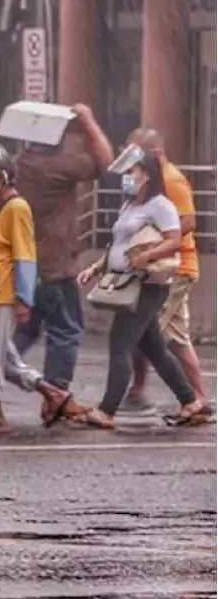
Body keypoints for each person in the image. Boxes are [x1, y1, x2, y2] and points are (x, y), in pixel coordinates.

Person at [76, 149, 208, 429]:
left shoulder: (161, 205)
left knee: (120, 343)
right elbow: (119, 244)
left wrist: (146, 258)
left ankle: (107, 410)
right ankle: (191, 402)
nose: (126, 178)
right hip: (128, 280)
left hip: (146, 285)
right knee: (155, 349)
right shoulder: (129, 205)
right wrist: (95, 268)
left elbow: (174, 239)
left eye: (131, 172)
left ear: (146, 174)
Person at [0, 145, 78, 434]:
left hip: (2, 294)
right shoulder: (2, 210)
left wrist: (22, 298)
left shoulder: (17, 208)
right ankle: (55, 394)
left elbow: (25, 256)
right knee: (4, 359)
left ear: (1, 177)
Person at [13, 104, 115, 413]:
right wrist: (88, 120)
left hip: (30, 264)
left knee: (28, 328)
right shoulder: (53, 166)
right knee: (66, 330)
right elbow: (106, 163)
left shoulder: (23, 162)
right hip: (55, 264)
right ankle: (56, 394)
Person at [120, 128, 212, 423]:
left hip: (175, 268)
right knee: (175, 338)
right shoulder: (151, 182)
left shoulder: (172, 180)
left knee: (147, 334)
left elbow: (188, 222)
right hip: (165, 268)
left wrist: (153, 241)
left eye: (135, 153)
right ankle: (197, 399)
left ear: (154, 154)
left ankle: (146, 393)